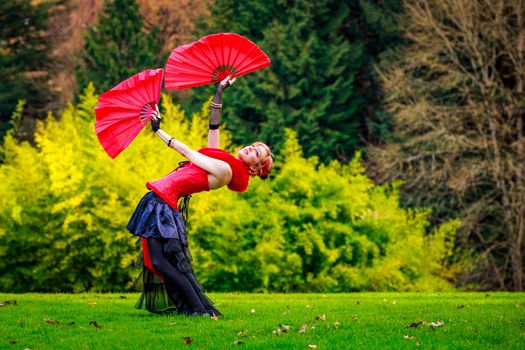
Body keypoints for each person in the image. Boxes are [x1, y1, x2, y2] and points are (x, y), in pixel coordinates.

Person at [127, 76, 273, 317]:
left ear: (254, 169)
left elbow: (190, 153)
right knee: (155, 263)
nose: (250, 147)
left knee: (161, 262)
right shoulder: (222, 161)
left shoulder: (225, 172)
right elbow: (213, 128)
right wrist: (219, 92)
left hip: (163, 204)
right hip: (157, 200)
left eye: (256, 152)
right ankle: (197, 308)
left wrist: (159, 131)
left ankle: (199, 309)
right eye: (254, 144)